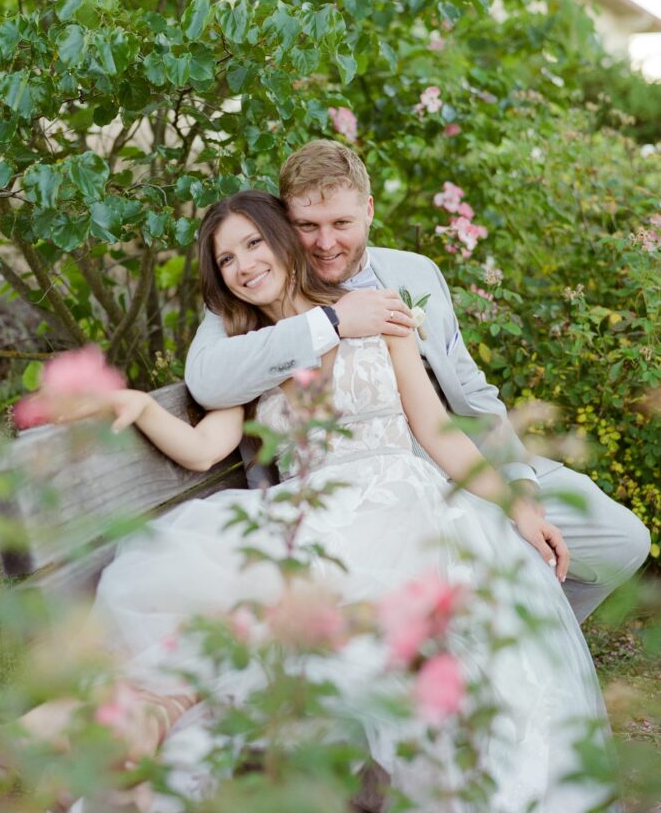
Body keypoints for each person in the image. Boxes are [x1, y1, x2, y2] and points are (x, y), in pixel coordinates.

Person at [43, 190, 616, 812]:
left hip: (407, 507)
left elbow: (435, 429)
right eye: (227, 260)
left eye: (253, 244)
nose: (243, 265)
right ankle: (138, 728)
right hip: (316, 514)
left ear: (283, 239)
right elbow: (206, 449)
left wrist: (516, 502)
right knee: (259, 611)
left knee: (452, 633)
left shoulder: (379, 314)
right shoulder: (251, 349)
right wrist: (143, 406)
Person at [185, 141, 650, 623]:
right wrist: (333, 321)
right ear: (284, 224)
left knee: (624, 541)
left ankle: (533, 641)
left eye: (341, 224)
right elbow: (207, 379)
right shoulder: (249, 288)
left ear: (368, 211)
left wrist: (517, 481)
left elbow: (471, 393)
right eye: (307, 226)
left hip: (464, 463)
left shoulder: (415, 272)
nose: (325, 243)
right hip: (354, 499)